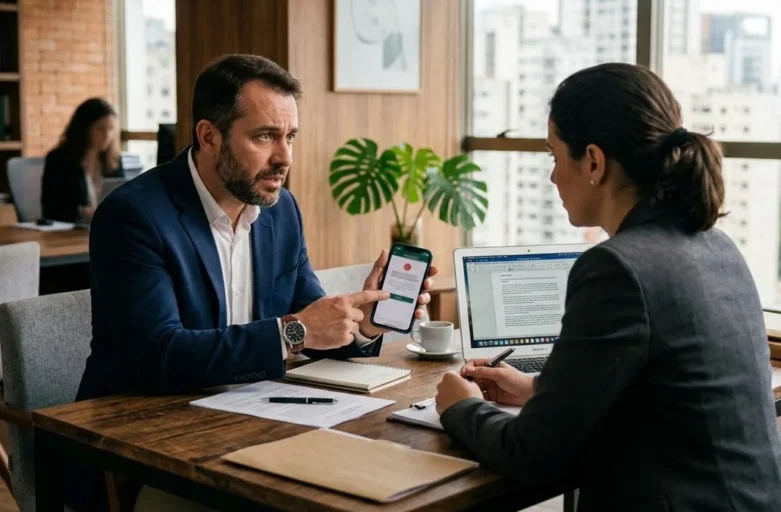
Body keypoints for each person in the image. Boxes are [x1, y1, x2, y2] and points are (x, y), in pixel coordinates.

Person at [69, 54, 437, 511]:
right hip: (142, 453)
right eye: (265, 136)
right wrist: (293, 332)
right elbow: (158, 355)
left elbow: (310, 323)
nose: (284, 157)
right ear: (209, 136)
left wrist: (362, 321)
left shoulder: (281, 211)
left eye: (290, 137)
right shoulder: (135, 216)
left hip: (254, 429)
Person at [435, 63, 781, 511]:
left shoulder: (617, 268)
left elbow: (531, 453)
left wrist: (459, 408)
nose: (553, 176)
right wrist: (538, 391)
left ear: (594, 162)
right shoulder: (716, 245)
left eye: (554, 156)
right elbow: (657, 393)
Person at [41, 98, 123, 223]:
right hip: (70, 232)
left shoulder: (114, 160)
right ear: (85, 128)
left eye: (111, 129)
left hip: (105, 229)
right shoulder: (59, 160)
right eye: (100, 129)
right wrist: (82, 212)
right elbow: (52, 208)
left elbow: (123, 199)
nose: (107, 135)